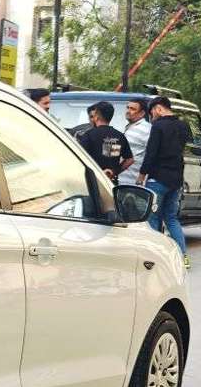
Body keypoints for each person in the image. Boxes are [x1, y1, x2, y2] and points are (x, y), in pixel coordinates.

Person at [138, 96, 191, 268]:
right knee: (171, 218)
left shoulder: (158, 126)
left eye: (151, 112)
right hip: (176, 179)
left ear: (159, 109)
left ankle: (156, 259)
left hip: (157, 179)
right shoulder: (183, 126)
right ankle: (183, 258)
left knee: (152, 218)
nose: (151, 116)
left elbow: (151, 153)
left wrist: (142, 175)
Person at [79, 101, 134, 183]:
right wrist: (115, 172)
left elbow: (80, 157)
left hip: (92, 181)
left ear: (96, 116)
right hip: (110, 181)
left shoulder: (89, 135)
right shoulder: (118, 136)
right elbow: (129, 160)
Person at [120, 97, 152, 187]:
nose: (128, 111)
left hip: (134, 181)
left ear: (142, 113)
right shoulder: (128, 127)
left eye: (133, 109)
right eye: (128, 107)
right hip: (122, 179)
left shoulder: (146, 129)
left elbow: (151, 154)